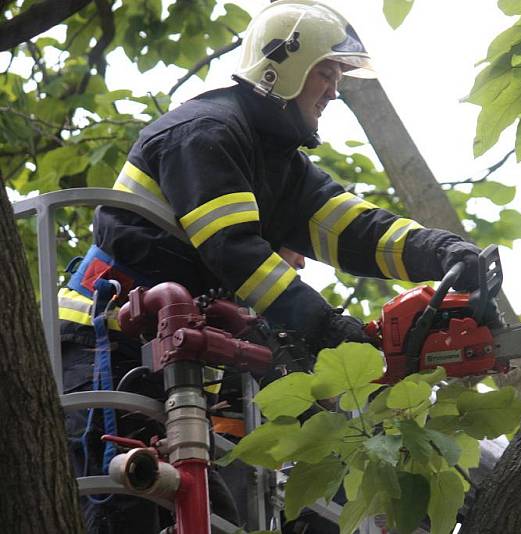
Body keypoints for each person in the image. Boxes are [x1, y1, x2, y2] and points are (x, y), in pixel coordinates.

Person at [58, 1, 487, 532]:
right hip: (102, 340)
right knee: (123, 508)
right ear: (281, 67)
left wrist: (440, 251)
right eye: (326, 73)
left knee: (199, 511)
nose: (334, 90)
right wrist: (326, 326)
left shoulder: (278, 162)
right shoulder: (205, 133)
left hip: (164, 346)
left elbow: (353, 230)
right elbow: (234, 250)